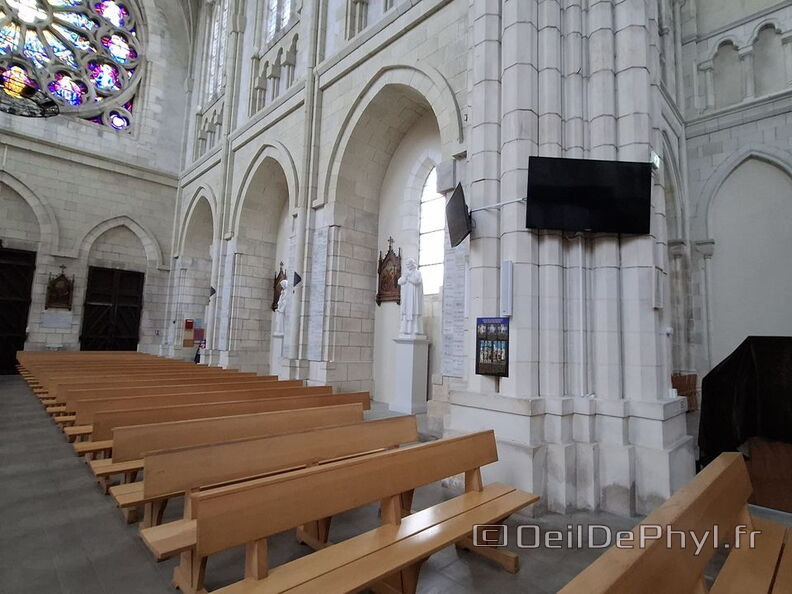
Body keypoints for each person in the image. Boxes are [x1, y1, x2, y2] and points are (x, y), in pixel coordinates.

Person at [397, 257, 424, 337]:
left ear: (412, 264)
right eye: (407, 265)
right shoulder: (407, 273)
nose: (408, 266)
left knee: (414, 313)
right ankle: (405, 330)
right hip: (407, 296)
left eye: (409, 265)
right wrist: (405, 277)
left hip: (414, 297)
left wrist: (408, 277)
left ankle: (415, 330)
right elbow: (399, 281)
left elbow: (417, 281)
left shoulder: (417, 272)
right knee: (406, 312)